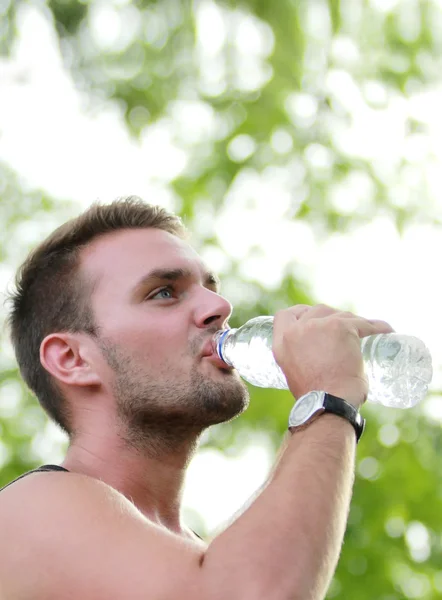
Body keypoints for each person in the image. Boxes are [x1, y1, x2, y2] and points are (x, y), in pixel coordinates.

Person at [0, 196, 393, 600]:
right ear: (72, 358)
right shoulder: (29, 511)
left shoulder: (204, 564)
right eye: (164, 293)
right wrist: (326, 396)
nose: (219, 307)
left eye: (209, 287)